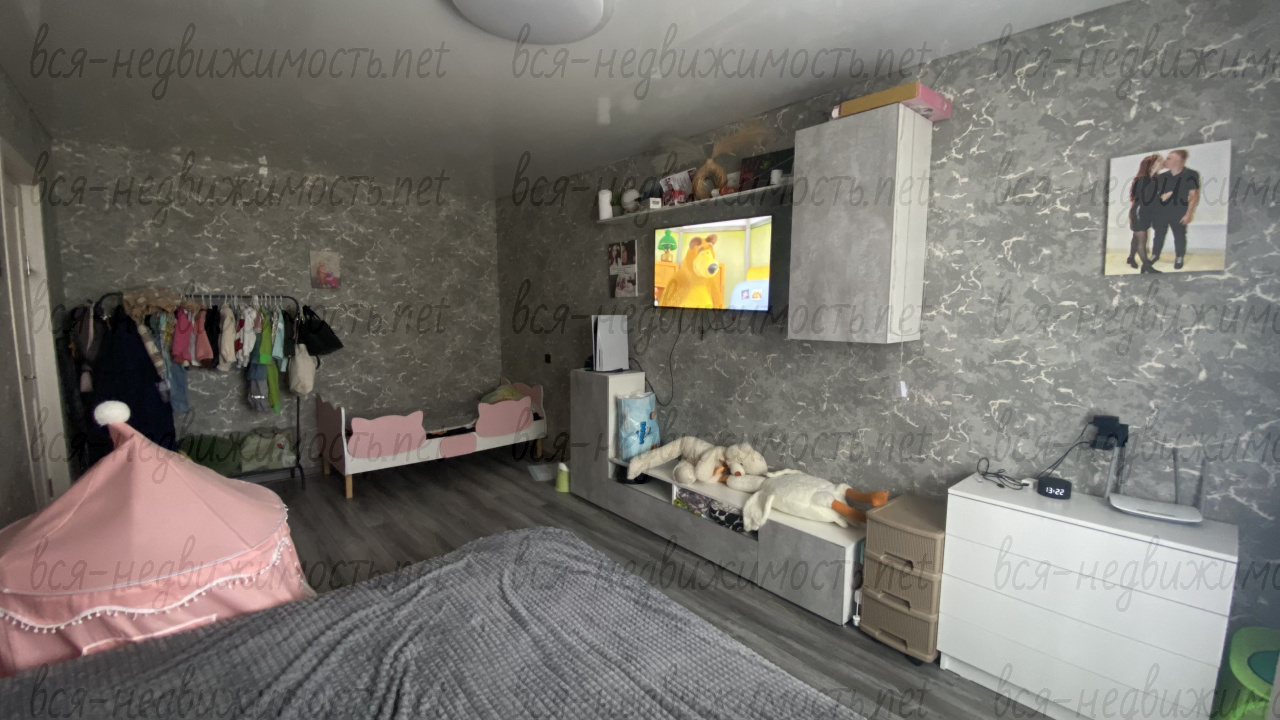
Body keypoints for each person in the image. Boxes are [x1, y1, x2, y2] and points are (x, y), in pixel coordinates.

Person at [1151, 148, 1200, 270]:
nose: (1165, 161)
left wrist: (1189, 214)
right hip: (1161, 212)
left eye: (1169, 158)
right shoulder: (1162, 176)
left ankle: (1179, 257)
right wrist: (1157, 170)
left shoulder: (1191, 174)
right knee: (1158, 235)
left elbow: (1194, 195)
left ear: (1178, 161)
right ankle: (1155, 255)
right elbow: (1149, 190)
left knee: (1179, 235)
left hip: (1179, 211)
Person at [1126, 153, 1164, 274]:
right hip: (1139, 212)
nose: (1161, 164)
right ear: (1151, 165)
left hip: (1145, 212)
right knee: (1142, 240)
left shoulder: (1154, 179)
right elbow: (1147, 199)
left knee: (1137, 237)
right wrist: (1162, 197)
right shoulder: (1143, 180)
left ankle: (1131, 258)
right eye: (1159, 162)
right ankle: (1146, 266)